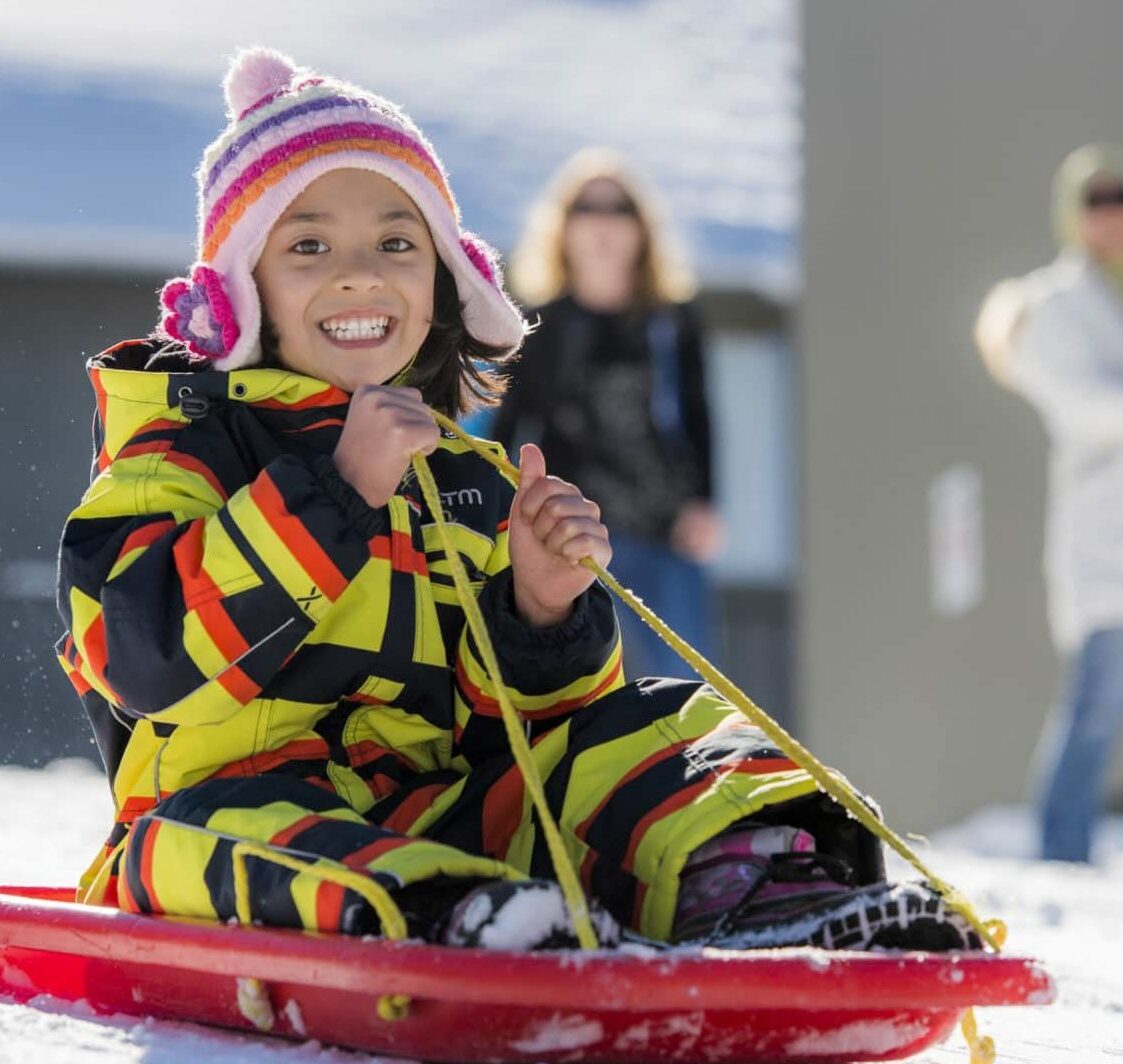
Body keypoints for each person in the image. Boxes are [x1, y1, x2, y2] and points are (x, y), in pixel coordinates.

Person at [55, 48, 979, 954]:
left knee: (660, 713)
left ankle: (764, 885)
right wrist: (334, 495)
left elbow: (531, 737)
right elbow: (135, 654)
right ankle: (455, 917)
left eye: (395, 242)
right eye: (306, 244)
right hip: (224, 814)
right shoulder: (180, 441)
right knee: (232, 831)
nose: (359, 273)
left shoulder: (463, 475)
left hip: (445, 816)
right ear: (240, 286)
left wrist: (539, 610)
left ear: (442, 283)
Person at [492, 150, 721, 680]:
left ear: (641, 229)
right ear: (562, 227)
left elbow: (701, 415)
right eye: (585, 208)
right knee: (585, 681)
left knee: (687, 681)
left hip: (666, 529)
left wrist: (706, 502)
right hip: (574, 530)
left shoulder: (673, 320)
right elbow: (511, 425)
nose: (602, 223)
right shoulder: (540, 323)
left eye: (618, 209)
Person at [976, 143, 1123, 863]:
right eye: (1096, 200)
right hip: (1107, 539)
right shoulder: (1048, 306)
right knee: (1096, 705)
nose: (1111, 216)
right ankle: (1060, 852)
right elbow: (1080, 407)